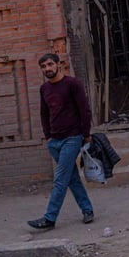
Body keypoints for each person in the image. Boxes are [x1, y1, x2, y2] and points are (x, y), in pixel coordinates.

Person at [27, 53, 95, 230]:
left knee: (60, 179)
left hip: (72, 138)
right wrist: (48, 137)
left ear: (59, 64)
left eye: (50, 64)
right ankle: (87, 210)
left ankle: (49, 218)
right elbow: (44, 113)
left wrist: (86, 134)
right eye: (43, 66)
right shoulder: (44, 89)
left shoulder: (73, 84)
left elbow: (84, 110)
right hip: (54, 142)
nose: (47, 69)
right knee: (71, 178)